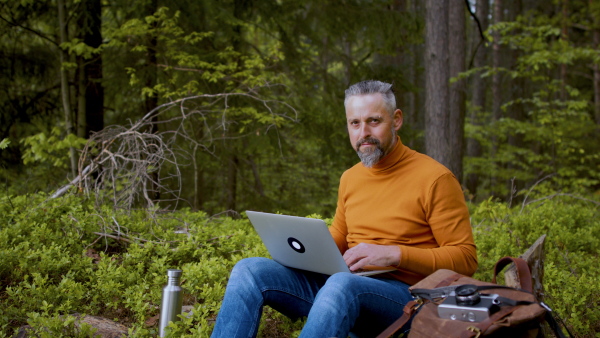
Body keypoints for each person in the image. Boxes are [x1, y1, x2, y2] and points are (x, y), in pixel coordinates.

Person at [211, 80, 478, 338]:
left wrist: (395, 254)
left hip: (407, 298)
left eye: (374, 121)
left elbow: (465, 260)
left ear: (396, 120)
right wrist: (301, 249)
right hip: (346, 287)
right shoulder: (351, 177)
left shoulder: (435, 179)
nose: (364, 133)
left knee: (341, 284)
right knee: (249, 270)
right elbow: (339, 236)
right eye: (355, 123)